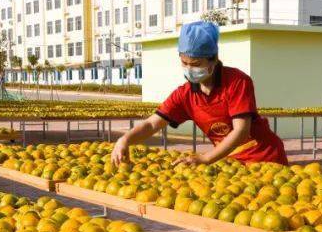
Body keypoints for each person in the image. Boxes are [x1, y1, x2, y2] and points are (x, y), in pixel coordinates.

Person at [111, 21, 288, 166]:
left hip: (266, 159)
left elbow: (241, 131)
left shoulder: (237, 82)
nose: (189, 69)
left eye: (195, 64)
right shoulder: (185, 94)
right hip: (231, 164)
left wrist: (205, 158)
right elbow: (151, 125)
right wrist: (125, 140)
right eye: (184, 63)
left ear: (214, 59)